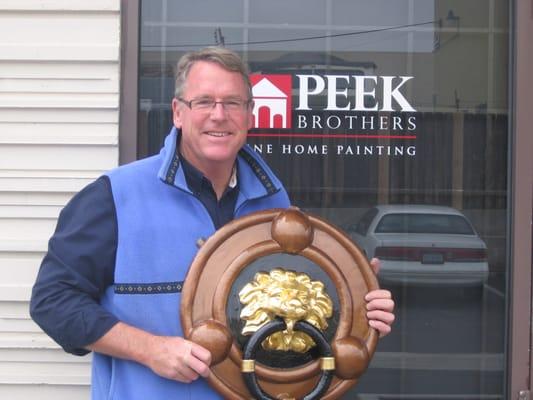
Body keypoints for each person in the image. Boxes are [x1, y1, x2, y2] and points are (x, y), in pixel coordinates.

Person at [30, 47, 395, 399]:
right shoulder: (115, 196)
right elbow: (53, 302)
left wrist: (354, 304)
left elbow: (292, 325)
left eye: (232, 103)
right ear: (177, 112)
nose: (218, 115)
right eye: (203, 101)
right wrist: (149, 349)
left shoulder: (277, 207)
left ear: (250, 114)